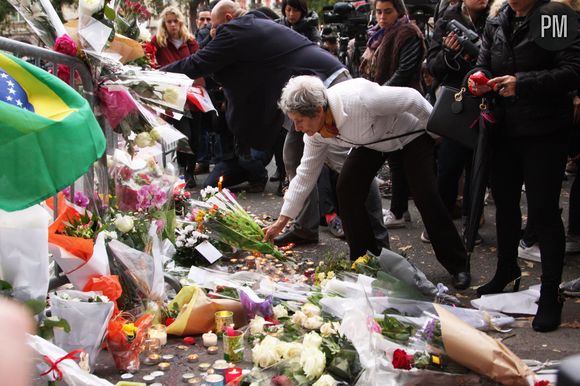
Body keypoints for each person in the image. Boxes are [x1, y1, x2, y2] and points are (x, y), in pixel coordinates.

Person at [265, 76, 472, 290]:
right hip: (372, 142)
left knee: (424, 195)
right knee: (347, 189)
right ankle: (365, 261)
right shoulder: (316, 133)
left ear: (318, 110)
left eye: (299, 121)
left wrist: (434, 129)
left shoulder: (361, 99)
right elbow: (305, 175)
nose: (296, 128)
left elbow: (412, 99)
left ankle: (458, 265)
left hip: (411, 134)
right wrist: (282, 220)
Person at [474, 0, 580, 331]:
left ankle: (551, 294)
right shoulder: (497, 20)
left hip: (544, 132)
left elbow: (573, 71)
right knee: (504, 205)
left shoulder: (554, 17)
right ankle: (506, 269)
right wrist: (476, 80)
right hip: (503, 130)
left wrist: (523, 82)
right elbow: (483, 63)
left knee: (544, 213)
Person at [427, 0, 489, 244]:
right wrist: (449, 54)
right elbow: (433, 66)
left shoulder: (498, 17)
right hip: (456, 103)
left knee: (478, 169)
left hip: (487, 101)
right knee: (448, 167)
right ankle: (440, 226)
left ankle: (471, 226)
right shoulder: (446, 20)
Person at [360, 0, 425, 231]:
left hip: (404, 101)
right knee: (396, 159)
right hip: (387, 99)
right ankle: (400, 209)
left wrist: (379, 96)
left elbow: (405, 71)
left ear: (399, 11)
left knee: (405, 160)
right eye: (378, 12)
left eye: (387, 11)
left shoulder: (408, 32)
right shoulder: (379, 34)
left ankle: (399, 210)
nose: (382, 16)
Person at [152, 6, 200, 188]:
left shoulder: (191, 41)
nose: (173, 25)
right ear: (164, 24)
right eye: (169, 21)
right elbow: (152, 64)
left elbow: (199, 65)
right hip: (172, 97)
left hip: (193, 95)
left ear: (181, 23)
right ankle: (183, 171)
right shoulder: (158, 42)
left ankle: (190, 170)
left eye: (176, 21)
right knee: (183, 134)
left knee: (195, 136)